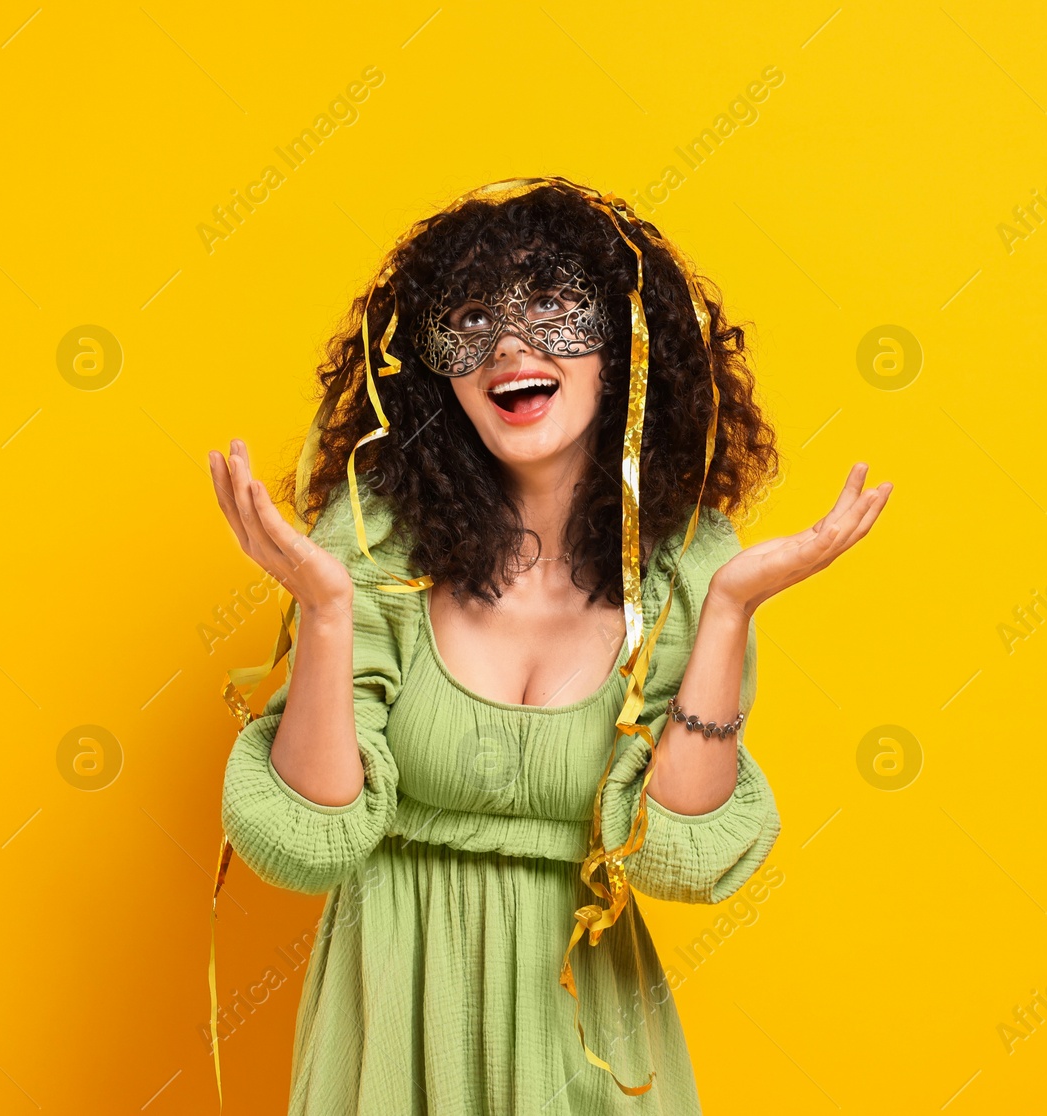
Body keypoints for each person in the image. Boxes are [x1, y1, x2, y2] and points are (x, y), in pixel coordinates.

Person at [208, 178, 890, 1114]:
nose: (512, 346)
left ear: (627, 345)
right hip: (393, 1030)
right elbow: (304, 845)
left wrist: (728, 609)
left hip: (592, 1045)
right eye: (473, 317)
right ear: (431, 371)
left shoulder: (689, 568)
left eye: (552, 305)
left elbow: (679, 857)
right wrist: (326, 614)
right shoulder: (374, 546)